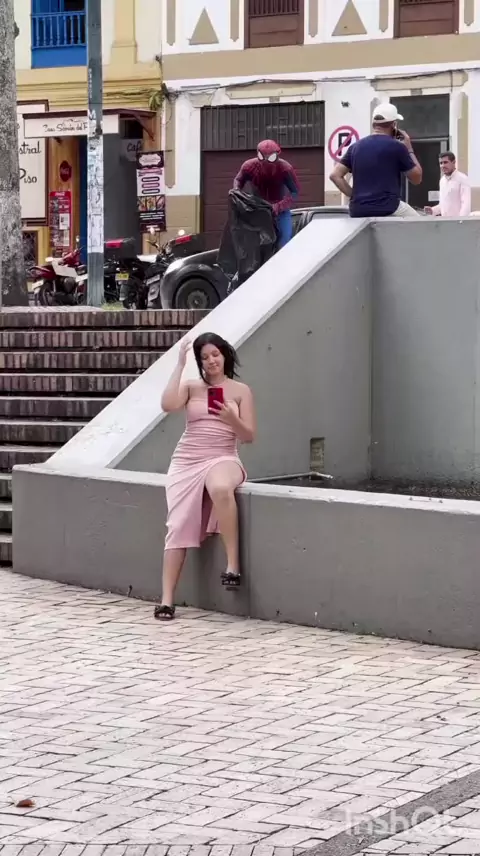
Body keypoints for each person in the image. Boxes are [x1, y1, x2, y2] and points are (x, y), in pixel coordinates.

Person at [154, 333, 256, 621]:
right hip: (187, 459)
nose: (211, 361)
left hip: (223, 455)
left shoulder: (240, 391)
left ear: (224, 355)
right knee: (177, 526)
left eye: (215, 354)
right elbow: (167, 405)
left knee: (221, 488)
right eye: (204, 357)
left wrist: (231, 419)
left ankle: (232, 566)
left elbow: (249, 436)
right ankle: (166, 601)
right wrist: (179, 364)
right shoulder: (191, 387)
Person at [329, 102, 423, 218]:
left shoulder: (355, 147)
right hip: (388, 207)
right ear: (394, 125)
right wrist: (409, 148)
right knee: (421, 224)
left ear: (374, 124)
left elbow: (335, 175)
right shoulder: (397, 147)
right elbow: (417, 178)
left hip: (358, 209)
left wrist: (354, 196)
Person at [233, 140, 300, 248]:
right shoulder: (249, 166)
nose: (266, 161)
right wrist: (236, 191)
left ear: (277, 155)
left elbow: (295, 191)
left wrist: (279, 206)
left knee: (285, 239)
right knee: (252, 240)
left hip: (279, 210)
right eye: (262, 157)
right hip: (257, 208)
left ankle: (282, 255)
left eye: (271, 157)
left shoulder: (285, 168)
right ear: (258, 154)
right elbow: (238, 180)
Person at [424, 152, 471, 217]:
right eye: (441, 163)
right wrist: (433, 210)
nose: (443, 166)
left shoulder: (462, 179)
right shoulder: (442, 181)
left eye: (445, 162)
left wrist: (460, 221)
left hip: (458, 221)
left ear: (453, 162)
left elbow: (466, 204)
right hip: (445, 221)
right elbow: (443, 204)